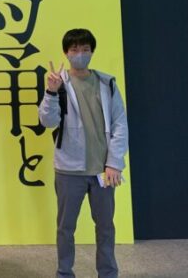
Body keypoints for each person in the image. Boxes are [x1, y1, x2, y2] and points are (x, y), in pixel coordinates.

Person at [38, 28, 129, 278]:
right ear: (66, 53)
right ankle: (64, 273)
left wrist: (115, 163)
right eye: (74, 49)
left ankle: (108, 273)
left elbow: (120, 124)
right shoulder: (59, 82)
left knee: (106, 227)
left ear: (92, 52)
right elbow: (47, 121)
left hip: (103, 170)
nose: (80, 54)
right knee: (65, 228)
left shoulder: (107, 83)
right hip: (69, 169)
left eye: (85, 49)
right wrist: (51, 92)